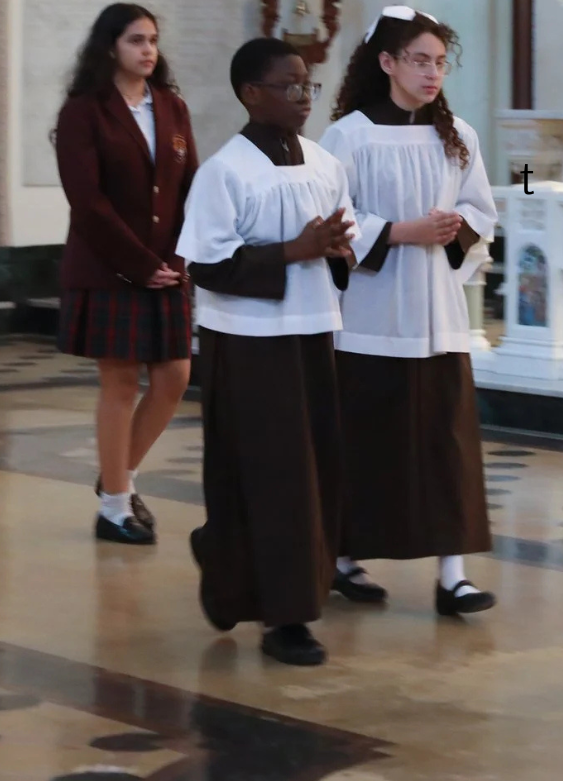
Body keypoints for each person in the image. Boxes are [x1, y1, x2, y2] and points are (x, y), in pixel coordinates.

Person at [176, 38, 355, 667]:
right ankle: (285, 618)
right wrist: (292, 251)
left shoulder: (324, 163)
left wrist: (338, 249)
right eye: (290, 86)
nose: (304, 98)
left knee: (313, 471)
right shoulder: (224, 171)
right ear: (251, 93)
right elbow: (206, 265)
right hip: (248, 342)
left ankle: (235, 568)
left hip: (313, 332)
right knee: (271, 476)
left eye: (309, 86)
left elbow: (343, 240)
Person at [319, 7, 499, 616]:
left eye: (441, 63)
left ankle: (454, 575)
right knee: (368, 446)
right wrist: (400, 231)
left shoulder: (459, 134)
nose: (432, 74)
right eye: (420, 61)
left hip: (440, 319)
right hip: (371, 318)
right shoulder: (348, 136)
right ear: (387, 62)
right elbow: (332, 218)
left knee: (448, 446)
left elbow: (483, 208)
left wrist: (454, 227)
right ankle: (346, 558)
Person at [54, 4, 198, 546]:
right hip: (110, 265)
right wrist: (139, 264)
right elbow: (87, 201)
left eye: (153, 40)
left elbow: (190, 187)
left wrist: (178, 259)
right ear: (110, 46)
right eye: (136, 40)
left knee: (174, 376)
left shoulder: (172, 107)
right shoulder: (84, 111)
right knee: (119, 382)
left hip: (167, 266)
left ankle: (118, 474)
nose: (148, 50)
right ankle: (114, 506)